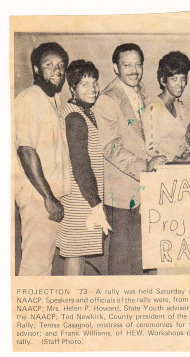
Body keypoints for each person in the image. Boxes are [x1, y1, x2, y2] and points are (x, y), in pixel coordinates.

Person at [93, 43, 166, 275]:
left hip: (144, 188)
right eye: (127, 65)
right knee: (123, 260)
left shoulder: (142, 92)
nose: (134, 70)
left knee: (141, 256)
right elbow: (109, 147)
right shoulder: (107, 99)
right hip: (122, 192)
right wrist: (145, 166)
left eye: (138, 65)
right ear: (116, 68)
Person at [14, 42, 71, 275]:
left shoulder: (54, 100)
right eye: (49, 65)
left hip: (50, 198)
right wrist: (48, 197)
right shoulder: (29, 99)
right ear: (36, 70)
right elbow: (26, 151)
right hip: (39, 198)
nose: (57, 71)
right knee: (35, 267)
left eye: (61, 66)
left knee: (43, 265)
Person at [57, 60, 111, 275]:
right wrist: (95, 204)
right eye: (85, 84)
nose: (93, 89)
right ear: (72, 88)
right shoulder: (75, 117)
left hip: (82, 196)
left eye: (94, 82)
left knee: (77, 253)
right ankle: (73, 301)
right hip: (80, 199)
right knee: (75, 253)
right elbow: (80, 165)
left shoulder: (82, 111)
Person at [142, 51, 190, 162]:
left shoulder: (179, 106)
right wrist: (176, 159)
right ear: (163, 80)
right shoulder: (154, 108)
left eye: (183, 79)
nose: (180, 84)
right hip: (161, 168)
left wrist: (187, 155)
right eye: (174, 79)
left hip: (179, 166)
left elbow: (182, 141)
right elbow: (151, 148)